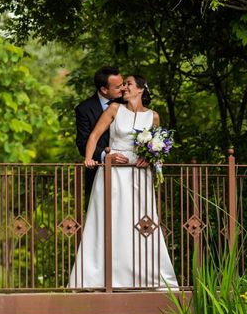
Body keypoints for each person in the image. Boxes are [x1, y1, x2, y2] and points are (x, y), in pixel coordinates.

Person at [68, 75, 178, 289]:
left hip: (139, 173)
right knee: (110, 218)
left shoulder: (153, 117)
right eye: (123, 84)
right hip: (114, 171)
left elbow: (158, 146)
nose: (124, 88)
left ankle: (144, 275)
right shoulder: (114, 110)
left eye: (128, 84)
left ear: (140, 90)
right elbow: (94, 136)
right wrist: (89, 158)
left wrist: (151, 157)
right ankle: (98, 276)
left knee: (141, 221)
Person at [75, 66, 128, 200]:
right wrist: (106, 156)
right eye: (118, 87)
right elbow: (82, 143)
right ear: (104, 89)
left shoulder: (129, 102)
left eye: (123, 84)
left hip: (127, 169)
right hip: (98, 171)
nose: (123, 88)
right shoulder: (84, 109)